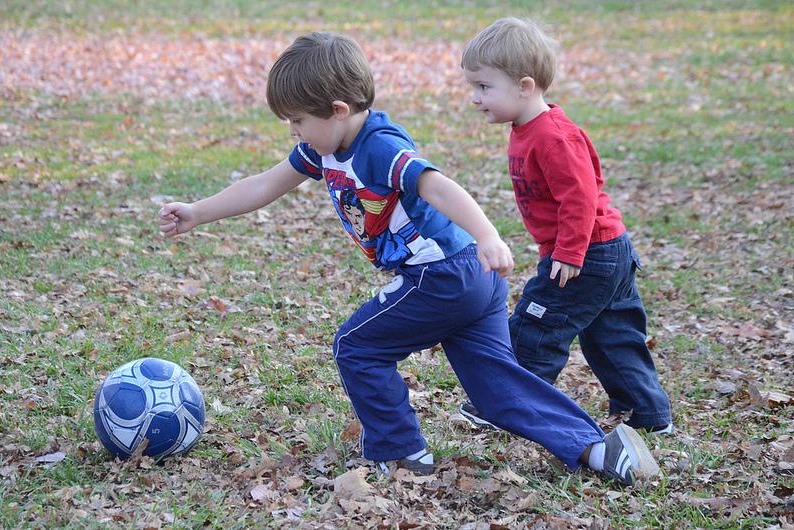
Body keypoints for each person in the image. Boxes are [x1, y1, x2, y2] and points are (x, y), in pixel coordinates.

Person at [158, 31, 659, 485]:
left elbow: (437, 186)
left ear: (337, 109)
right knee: (495, 387)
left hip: (441, 275)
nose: (294, 132)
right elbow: (265, 184)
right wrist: (198, 212)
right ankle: (598, 450)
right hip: (470, 279)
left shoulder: (378, 146)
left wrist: (487, 235)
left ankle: (399, 451)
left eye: (298, 121)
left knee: (356, 346)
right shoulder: (323, 149)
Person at [458, 18, 672, 435]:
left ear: (524, 86)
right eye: (474, 88)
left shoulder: (554, 136)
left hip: (587, 253)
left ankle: (506, 405)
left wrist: (569, 252)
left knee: (537, 325)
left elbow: (581, 197)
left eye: (484, 87)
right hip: (605, 248)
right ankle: (647, 413)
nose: (475, 98)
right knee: (610, 335)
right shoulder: (526, 127)